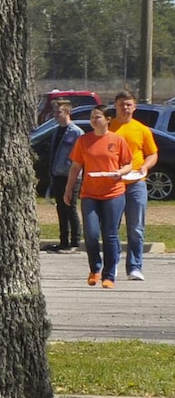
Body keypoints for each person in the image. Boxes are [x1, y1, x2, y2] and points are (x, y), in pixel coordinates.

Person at [65, 104, 134, 288]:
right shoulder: (83, 140)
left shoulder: (117, 140)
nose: (94, 120)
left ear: (108, 119)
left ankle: (109, 275)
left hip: (113, 193)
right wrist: (69, 189)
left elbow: (128, 164)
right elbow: (75, 167)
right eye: (92, 117)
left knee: (110, 234)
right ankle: (95, 268)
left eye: (98, 117)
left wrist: (120, 172)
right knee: (91, 234)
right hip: (90, 194)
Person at [110, 92, 159, 281]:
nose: (125, 108)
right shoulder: (108, 128)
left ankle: (135, 267)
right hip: (113, 184)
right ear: (115, 106)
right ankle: (111, 265)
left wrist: (145, 167)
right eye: (122, 104)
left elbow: (152, 153)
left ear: (135, 107)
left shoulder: (142, 129)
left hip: (136, 183)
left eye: (129, 104)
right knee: (111, 228)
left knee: (136, 227)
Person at [42, 97, 84, 253]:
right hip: (57, 174)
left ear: (67, 112)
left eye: (58, 111)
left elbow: (79, 157)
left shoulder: (76, 132)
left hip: (71, 176)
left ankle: (74, 242)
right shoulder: (57, 130)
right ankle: (63, 241)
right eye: (54, 111)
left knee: (70, 208)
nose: (55, 114)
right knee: (60, 208)